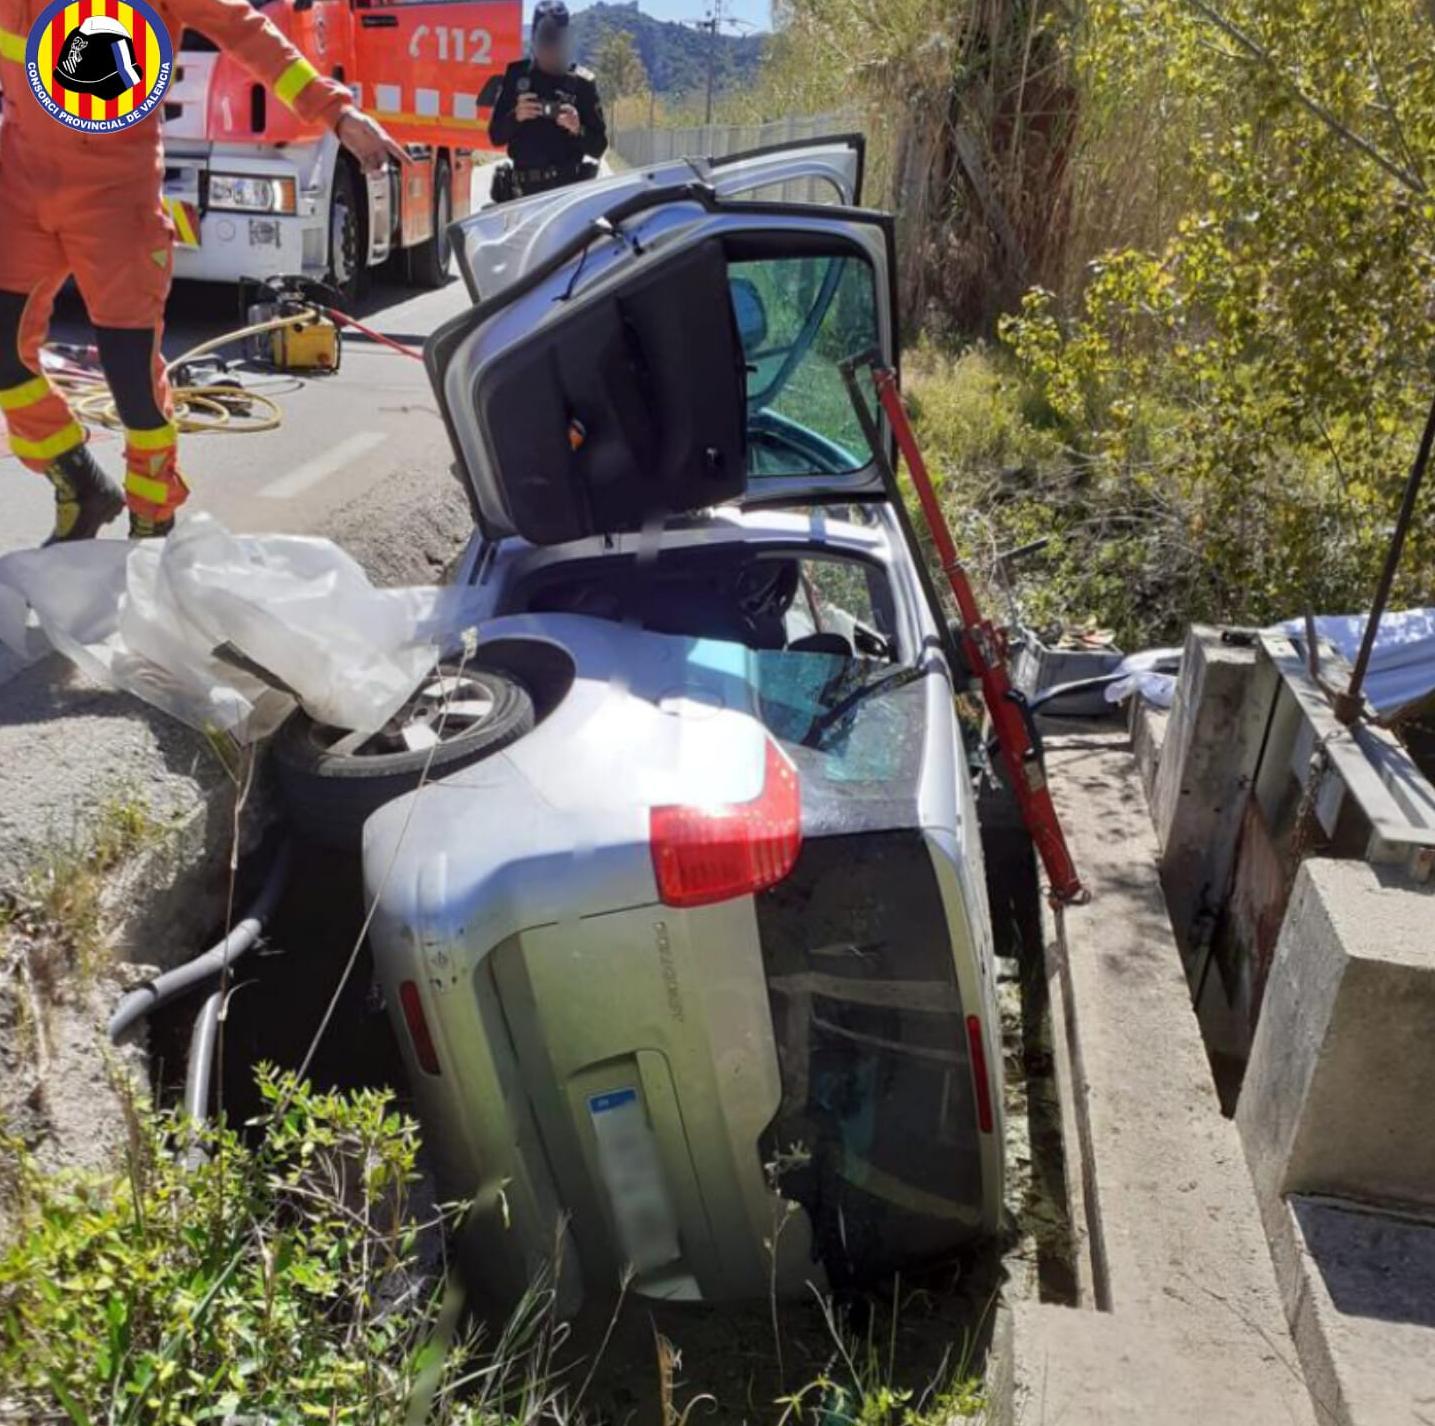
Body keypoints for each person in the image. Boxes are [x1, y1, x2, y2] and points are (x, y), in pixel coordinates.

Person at [0, 0, 406, 544]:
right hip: (21, 189)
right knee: (3, 350)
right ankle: (78, 481)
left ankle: (152, 516)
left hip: (117, 199)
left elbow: (249, 32)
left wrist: (336, 111)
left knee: (131, 378)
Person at [488, 0, 606, 202]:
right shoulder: (517, 78)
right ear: (533, 39)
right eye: (544, 42)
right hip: (522, 197)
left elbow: (599, 147)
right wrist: (516, 116)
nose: (550, 51)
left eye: (556, 42)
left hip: (567, 197)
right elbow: (495, 136)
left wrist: (578, 128)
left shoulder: (581, 83)